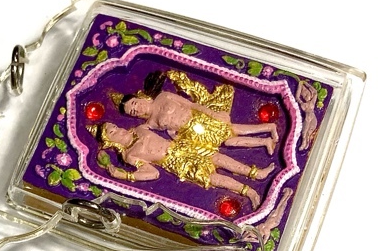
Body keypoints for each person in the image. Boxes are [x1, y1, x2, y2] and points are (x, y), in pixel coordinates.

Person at [88, 121, 274, 209]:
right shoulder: (130, 155)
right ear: (110, 142)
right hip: (176, 163)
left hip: (181, 146)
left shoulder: (139, 128)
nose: (118, 129)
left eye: (115, 126)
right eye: (112, 132)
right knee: (213, 178)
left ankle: (256, 174)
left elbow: (160, 122)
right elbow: (152, 174)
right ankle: (249, 192)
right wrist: (126, 175)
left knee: (218, 158)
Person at [116, 70, 279, 155]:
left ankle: (269, 128)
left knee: (232, 130)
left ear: (140, 97)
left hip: (199, 119)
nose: (137, 109)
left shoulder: (163, 96)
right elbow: (166, 132)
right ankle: (265, 141)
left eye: (135, 103)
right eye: (133, 112)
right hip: (193, 134)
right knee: (229, 141)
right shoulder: (150, 124)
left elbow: (190, 104)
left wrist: (212, 113)